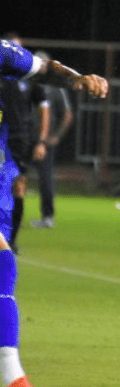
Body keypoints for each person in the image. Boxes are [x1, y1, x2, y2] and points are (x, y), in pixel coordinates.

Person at [0, 36, 108, 387]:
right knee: (3, 266)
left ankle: (13, 382)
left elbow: (45, 70)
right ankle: (13, 381)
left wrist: (78, 79)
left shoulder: (3, 53)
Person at [0, 34, 51, 252]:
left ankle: (11, 241)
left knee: (18, 187)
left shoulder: (29, 77)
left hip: (22, 140)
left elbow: (44, 108)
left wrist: (41, 141)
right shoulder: (3, 73)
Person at [30, 51, 74, 229]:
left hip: (44, 141)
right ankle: (9, 216)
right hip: (25, 137)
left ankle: (48, 216)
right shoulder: (27, 82)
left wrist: (55, 136)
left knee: (45, 178)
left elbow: (67, 114)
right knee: (13, 175)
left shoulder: (55, 87)